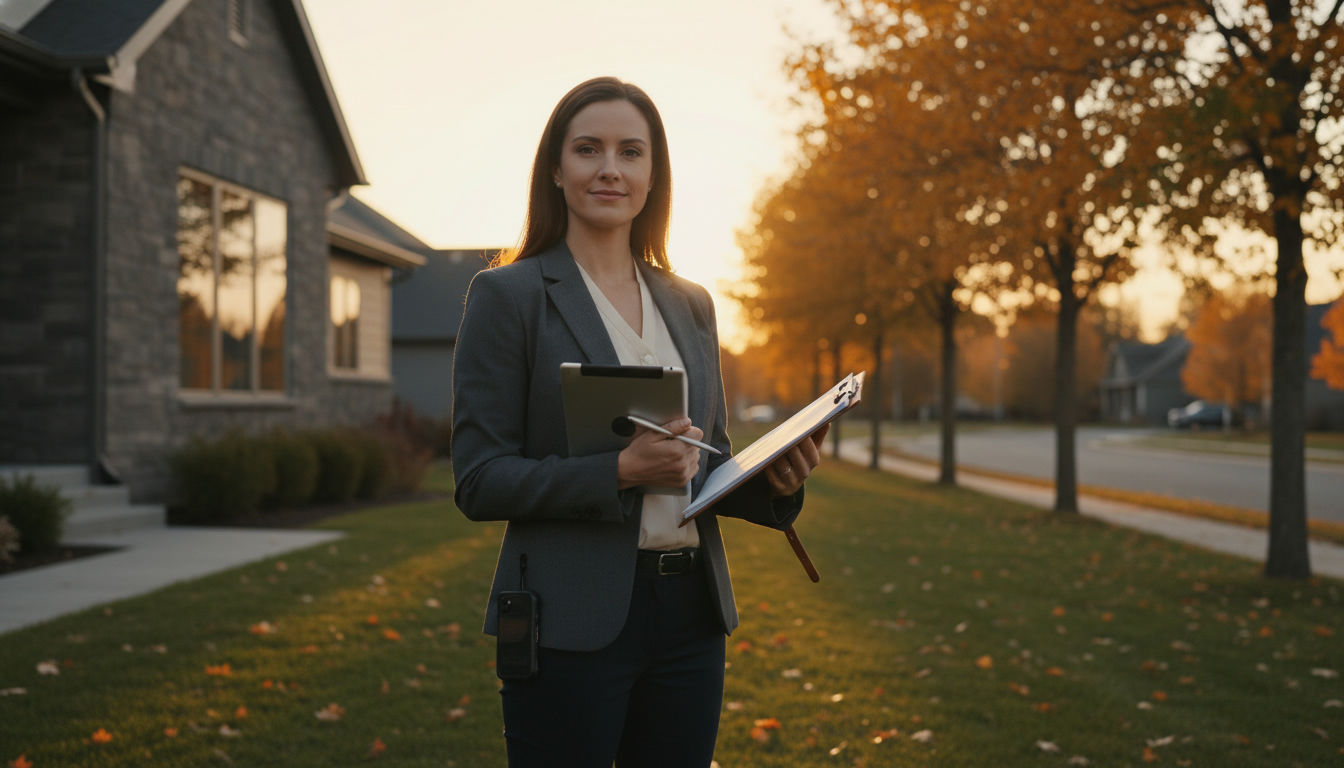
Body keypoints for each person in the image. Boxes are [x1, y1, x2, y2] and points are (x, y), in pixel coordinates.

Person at [451, 76, 827, 768]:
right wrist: (618, 472)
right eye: (588, 149)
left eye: (631, 152)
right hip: (569, 619)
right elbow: (480, 479)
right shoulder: (508, 296)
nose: (609, 169)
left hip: (691, 617)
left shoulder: (691, 303)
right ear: (556, 170)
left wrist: (773, 481)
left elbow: (705, 461)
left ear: (653, 175)